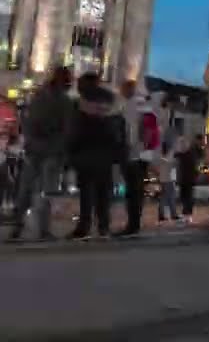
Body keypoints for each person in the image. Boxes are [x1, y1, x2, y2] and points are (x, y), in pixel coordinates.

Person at [8, 67, 74, 241]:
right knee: (45, 192)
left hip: (33, 149)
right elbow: (67, 130)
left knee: (26, 189)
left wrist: (29, 142)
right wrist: (62, 150)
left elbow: (27, 122)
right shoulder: (64, 101)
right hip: (51, 151)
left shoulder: (38, 97)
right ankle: (43, 230)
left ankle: (17, 227)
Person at [68, 73, 121, 240]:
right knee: (103, 192)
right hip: (104, 153)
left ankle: (85, 226)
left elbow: (74, 130)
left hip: (86, 152)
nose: (77, 86)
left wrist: (71, 151)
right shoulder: (111, 101)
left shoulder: (80, 103)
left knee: (87, 193)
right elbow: (118, 128)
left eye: (80, 83)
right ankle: (103, 226)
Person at [116, 80, 158, 238]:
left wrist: (140, 147)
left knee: (134, 190)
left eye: (122, 89)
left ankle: (133, 225)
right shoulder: (137, 104)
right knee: (134, 190)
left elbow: (146, 127)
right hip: (139, 153)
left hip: (137, 154)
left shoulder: (137, 104)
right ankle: (133, 223)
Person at [175, 134, 202, 221]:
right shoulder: (186, 152)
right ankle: (185, 213)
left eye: (183, 143)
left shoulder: (191, 152)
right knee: (184, 195)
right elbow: (176, 155)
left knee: (188, 196)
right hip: (185, 178)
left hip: (189, 178)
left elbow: (196, 164)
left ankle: (188, 214)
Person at [155, 141, 179, 222]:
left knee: (163, 197)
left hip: (163, 179)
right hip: (168, 179)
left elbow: (157, 168)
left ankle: (161, 214)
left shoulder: (161, 157)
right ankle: (173, 214)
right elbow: (172, 165)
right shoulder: (168, 157)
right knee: (171, 196)